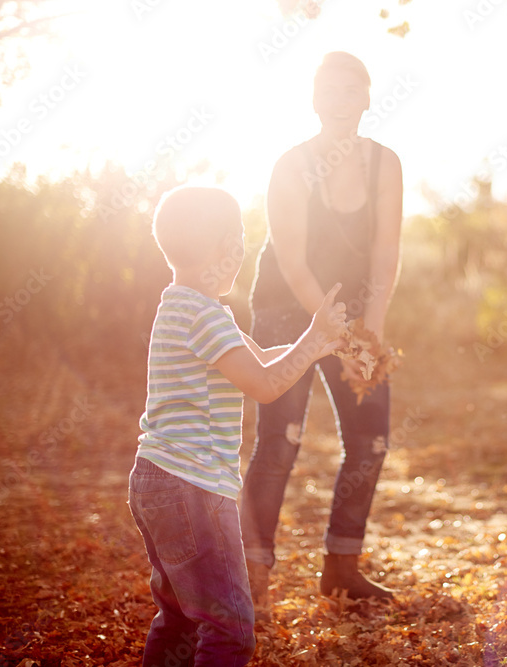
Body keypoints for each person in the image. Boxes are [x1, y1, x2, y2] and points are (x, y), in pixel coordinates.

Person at [129, 185, 347, 666]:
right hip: (193, 490)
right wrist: (312, 339)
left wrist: (320, 345)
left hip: (156, 481)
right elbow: (265, 385)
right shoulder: (204, 314)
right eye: (239, 239)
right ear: (222, 249)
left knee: (180, 619)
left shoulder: (182, 305)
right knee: (231, 631)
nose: (242, 251)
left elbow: (258, 359)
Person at [241, 51, 403, 614]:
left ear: (365, 97)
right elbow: (292, 263)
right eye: (327, 91)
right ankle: (253, 574)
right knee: (279, 441)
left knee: (371, 439)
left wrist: (369, 337)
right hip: (289, 307)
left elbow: (386, 255)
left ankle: (341, 567)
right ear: (313, 100)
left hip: (357, 313)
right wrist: (328, 331)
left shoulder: (386, 163)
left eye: (349, 90)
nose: (338, 101)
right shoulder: (291, 164)